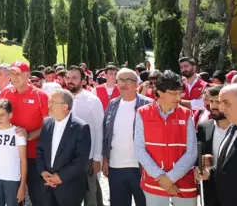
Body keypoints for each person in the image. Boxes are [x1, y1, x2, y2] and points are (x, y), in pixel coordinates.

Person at [134, 70, 198, 206]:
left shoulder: (186, 114)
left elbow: (192, 151)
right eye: (173, 93)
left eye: (180, 93)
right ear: (160, 92)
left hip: (184, 182)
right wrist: (160, 177)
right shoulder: (143, 113)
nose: (178, 98)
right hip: (154, 181)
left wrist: (170, 178)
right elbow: (139, 149)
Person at [0, 61, 49, 206]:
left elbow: (49, 126)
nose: (14, 77)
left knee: (37, 195)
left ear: (28, 74)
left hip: (34, 155)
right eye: (12, 73)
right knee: (14, 196)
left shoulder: (41, 96)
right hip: (11, 154)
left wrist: (29, 135)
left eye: (18, 73)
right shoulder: (5, 93)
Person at [102, 68, 151, 206]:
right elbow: (106, 133)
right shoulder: (112, 104)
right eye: (120, 80)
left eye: (128, 80)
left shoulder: (148, 104)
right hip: (116, 166)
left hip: (141, 167)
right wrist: (105, 159)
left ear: (137, 84)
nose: (123, 84)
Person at [36, 89, 91, 206]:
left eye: (52, 102)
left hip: (69, 188)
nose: (48, 105)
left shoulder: (81, 127)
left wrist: (60, 177)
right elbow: (40, 150)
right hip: (47, 185)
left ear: (65, 106)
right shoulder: (46, 123)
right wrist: (43, 172)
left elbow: (81, 159)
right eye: (49, 102)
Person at [64, 66, 104, 206]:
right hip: (66, 158)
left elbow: (99, 130)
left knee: (90, 195)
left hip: (88, 157)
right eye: (68, 77)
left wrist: (97, 158)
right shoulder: (61, 99)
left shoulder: (92, 100)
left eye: (74, 78)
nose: (70, 81)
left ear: (83, 81)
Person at [0, 99, 27, 206]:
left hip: (12, 179)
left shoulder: (18, 133)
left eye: (2, 115)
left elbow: (23, 159)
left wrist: (22, 186)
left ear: (10, 115)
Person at [195, 85, 229, 206]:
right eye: (211, 101)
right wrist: (199, 164)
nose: (213, 106)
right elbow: (196, 154)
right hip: (210, 188)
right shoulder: (204, 127)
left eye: (217, 101)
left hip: (235, 188)